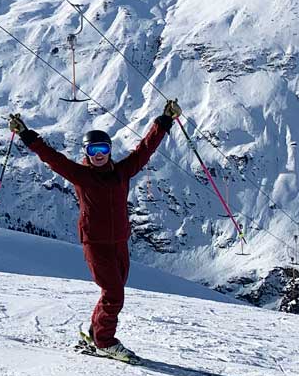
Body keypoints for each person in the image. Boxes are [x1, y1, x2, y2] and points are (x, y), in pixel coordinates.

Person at [9, 99, 182, 361]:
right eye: (93, 150)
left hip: (120, 241)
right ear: (86, 152)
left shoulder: (123, 172)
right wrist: (25, 134)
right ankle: (104, 341)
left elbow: (145, 149)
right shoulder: (81, 175)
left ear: (109, 151)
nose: (98, 155)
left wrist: (164, 120)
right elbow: (52, 158)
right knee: (113, 293)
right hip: (96, 242)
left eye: (102, 149)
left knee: (113, 291)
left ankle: (94, 332)